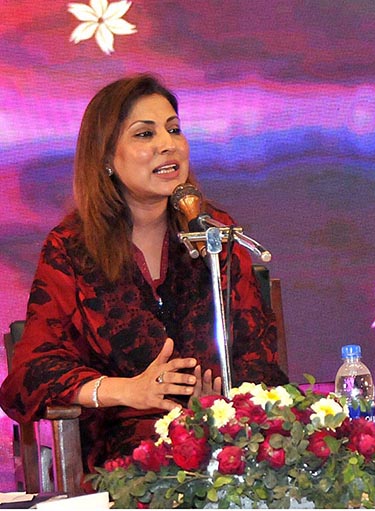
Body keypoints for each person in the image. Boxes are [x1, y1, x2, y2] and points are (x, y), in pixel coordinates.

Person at [0, 74, 288, 476]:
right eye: (144, 134)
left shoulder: (215, 235)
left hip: (225, 453)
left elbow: (260, 361)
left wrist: (224, 398)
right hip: (124, 467)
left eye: (173, 129)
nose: (167, 144)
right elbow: (29, 377)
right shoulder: (71, 248)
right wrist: (126, 390)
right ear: (106, 159)